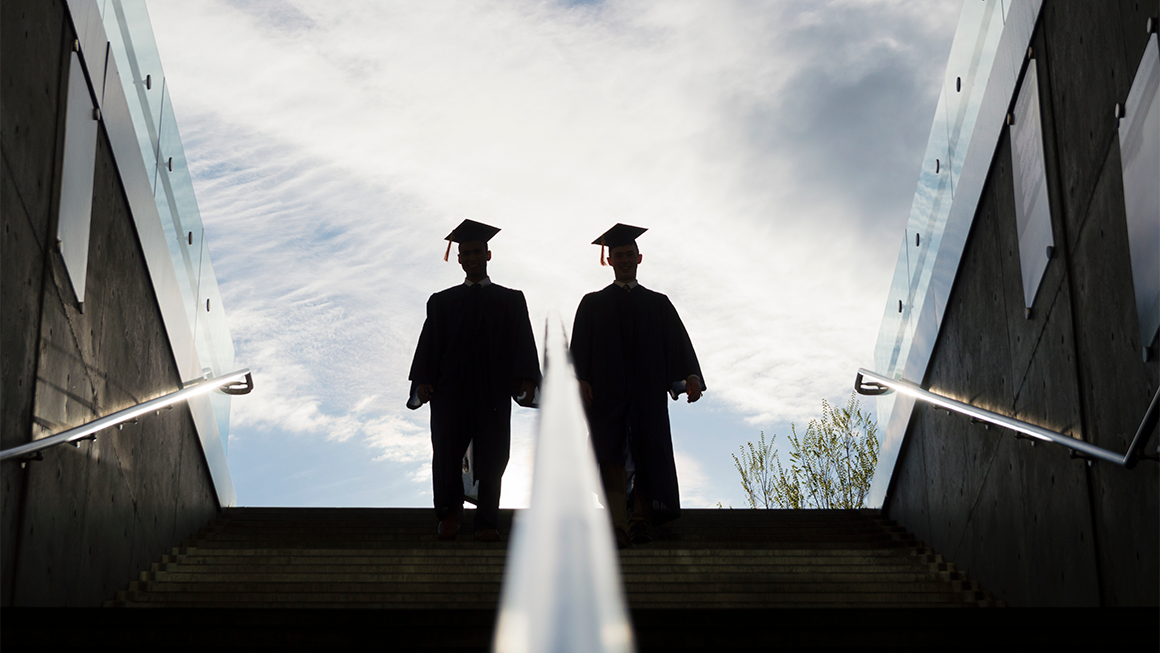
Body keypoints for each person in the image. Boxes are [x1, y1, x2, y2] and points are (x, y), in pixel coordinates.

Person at [571, 223, 705, 548]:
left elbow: (677, 345)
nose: (625, 259)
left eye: (629, 254)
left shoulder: (658, 304)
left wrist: (690, 377)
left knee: (649, 453)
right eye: (618, 255)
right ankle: (617, 523)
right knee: (609, 454)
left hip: (647, 393)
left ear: (639, 257)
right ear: (609, 260)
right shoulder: (592, 304)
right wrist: (580, 380)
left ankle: (641, 520)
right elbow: (579, 350)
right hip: (606, 394)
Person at [407, 219, 540, 542]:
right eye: (465, 252)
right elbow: (430, 343)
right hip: (449, 390)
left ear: (488, 254)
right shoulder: (441, 302)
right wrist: (424, 379)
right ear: (459, 258)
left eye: (477, 251)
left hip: (492, 390)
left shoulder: (510, 300)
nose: (472, 257)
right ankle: (450, 514)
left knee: (494, 455)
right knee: (447, 453)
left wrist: (525, 378)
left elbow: (522, 340)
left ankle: (486, 521)